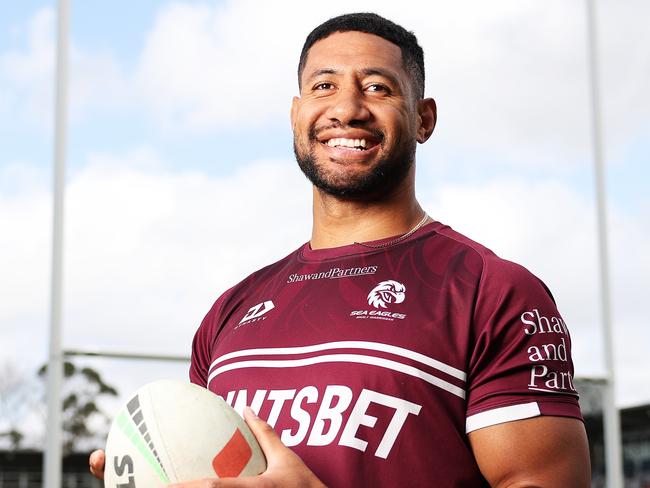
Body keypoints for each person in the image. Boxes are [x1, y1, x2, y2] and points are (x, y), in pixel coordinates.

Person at [91, 12, 591, 487]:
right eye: (323, 86)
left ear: (423, 119)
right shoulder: (230, 311)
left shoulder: (491, 291)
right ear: (296, 114)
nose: (347, 109)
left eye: (377, 87)